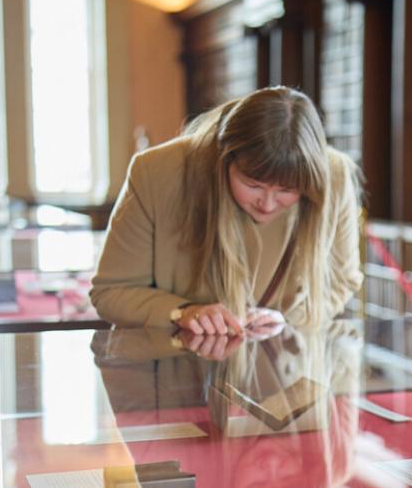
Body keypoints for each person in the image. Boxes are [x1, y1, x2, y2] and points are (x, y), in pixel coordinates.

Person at [90, 86, 363, 335]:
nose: (267, 204)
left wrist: (286, 319)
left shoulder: (335, 176)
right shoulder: (157, 173)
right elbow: (112, 293)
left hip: (289, 375)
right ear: (224, 158)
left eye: (286, 190)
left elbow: (341, 281)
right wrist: (183, 312)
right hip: (180, 370)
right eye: (252, 184)